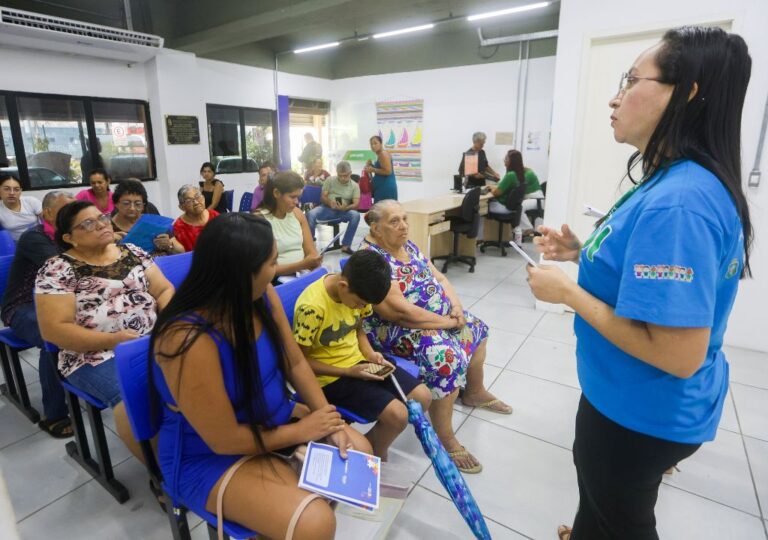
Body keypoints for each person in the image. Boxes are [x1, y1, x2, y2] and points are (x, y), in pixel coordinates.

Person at [523, 27, 753, 540]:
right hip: (641, 402)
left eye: (631, 81)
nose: (615, 96)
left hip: (639, 412)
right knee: (604, 510)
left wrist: (569, 293)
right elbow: (656, 274)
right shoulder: (678, 180)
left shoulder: (679, 202)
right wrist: (584, 253)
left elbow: (678, 354)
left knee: (620, 521)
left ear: (686, 92)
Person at [150, 212, 370, 539]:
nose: (277, 270)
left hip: (270, 421)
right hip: (209, 455)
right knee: (315, 523)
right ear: (240, 274)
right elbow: (223, 439)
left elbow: (295, 362)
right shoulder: (187, 339)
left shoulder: (260, 294)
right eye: (272, 262)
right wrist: (304, 431)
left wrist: (327, 418)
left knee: (358, 453)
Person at [361, 200, 512, 473]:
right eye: (394, 221)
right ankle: (445, 436)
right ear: (376, 228)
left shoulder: (407, 246)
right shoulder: (372, 259)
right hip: (397, 331)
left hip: (436, 319)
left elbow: (440, 279)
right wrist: (446, 322)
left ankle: (474, 392)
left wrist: (456, 308)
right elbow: (399, 313)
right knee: (446, 357)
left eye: (404, 219)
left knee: (477, 328)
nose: (404, 226)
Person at [35, 200, 175, 461]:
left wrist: (167, 322)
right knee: (135, 397)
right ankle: (161, 473)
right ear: (69, 238)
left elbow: (164, 290)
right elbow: (54, 330)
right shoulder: (57, 269)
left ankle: (193, 446)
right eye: (88, 223)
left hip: (152, 339)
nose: (101, 224)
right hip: (92, 355)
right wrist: (114, 340)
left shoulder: (132, 251)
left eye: (102, 217)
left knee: (197, 370)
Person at [293, 250, 431, 460]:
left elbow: (358, 329)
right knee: (397, 415)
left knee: (422, 396)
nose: (362, 308)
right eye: (359, 303)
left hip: (359, 364)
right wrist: (348, 371)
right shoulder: (312, 308)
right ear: (343, 287)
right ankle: (375, 453)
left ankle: (374, 443)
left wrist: (370, 354)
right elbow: (299, 363)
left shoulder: (357, 296)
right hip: (330, 378)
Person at [1, 191, 74, 438]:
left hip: (60, 302)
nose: (73, 216)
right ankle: (54, 415)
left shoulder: (70, 237)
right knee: (53, 338)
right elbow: (63, 268)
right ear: (48, 214)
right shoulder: (35, 237)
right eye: (66, 210)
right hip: (22, 307)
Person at [257, 171, 322, 280]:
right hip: (276, 280)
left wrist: (313, 261)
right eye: (292, 197)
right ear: (276, 193)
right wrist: (302, 265)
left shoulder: (297, 214)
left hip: (301, 274)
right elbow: (264, 270)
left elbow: (311, 251)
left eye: (298, 197)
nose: (296, 202)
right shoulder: (260, 220)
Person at [111, 179, 184, 255]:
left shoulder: (152, 222)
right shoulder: (107, 227)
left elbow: (181, 250)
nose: (132, 208)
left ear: (143, 205)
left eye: (138, 204)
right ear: (116, 204)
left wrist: (169, 245)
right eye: (126, 203)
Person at [307, 161, 361, 255]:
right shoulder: (330, 180)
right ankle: (310, 245)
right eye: (340, 175)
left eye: (345, 175)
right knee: (310, 214)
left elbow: (356, 204)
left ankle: (346, 246)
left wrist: (346, 207)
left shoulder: (354, 186)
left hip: (343, 211)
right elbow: (323, 197)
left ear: (350, 173)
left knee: (355, 215)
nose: (342, 178)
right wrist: (329, 202)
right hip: (326, 208)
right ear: (337, 173)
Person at [489, 149, 543, 237]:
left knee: (520, 207)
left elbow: (510, 184)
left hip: (536, 198)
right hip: (527, 197)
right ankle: (523, 229)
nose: (504, 160)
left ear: (512, 161)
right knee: (519, 205)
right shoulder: (517, 173)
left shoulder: (527, 174)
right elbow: (507, 185)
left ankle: (527, 228)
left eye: (506, 158)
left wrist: (495, 188)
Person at [173, 185, 219, 252]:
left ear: (203, 197)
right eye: (189, 201)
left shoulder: (214, 216)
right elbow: (183, 255)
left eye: (197, 197)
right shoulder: (179, 227)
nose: (196, 202)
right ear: (182, 207)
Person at [0, 174, 41, 241]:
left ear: (20, 191)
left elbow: (48, 220)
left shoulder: (31, 201)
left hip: (38, 239)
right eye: (7, 189)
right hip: (15, 244)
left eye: (16, 189)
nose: (12, 193)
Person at [365, 135, 398, 202]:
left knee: (384, 210)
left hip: (385, 188)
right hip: (381, 188)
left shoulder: (383, 154)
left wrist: (372, 169)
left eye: (375, 143)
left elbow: (388, 171)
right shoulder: (380, 154)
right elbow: (381, 169)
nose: (373, 146)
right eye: (371, 144)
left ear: (381, 143)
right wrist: (371, 166)